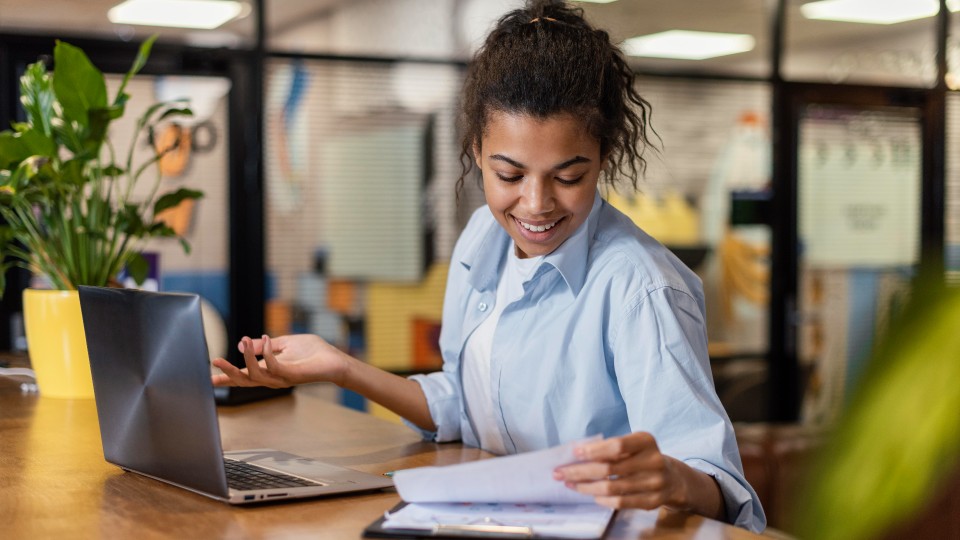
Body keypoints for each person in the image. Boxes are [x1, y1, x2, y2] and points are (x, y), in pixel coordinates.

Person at [212, 0, 766, 532]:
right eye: (509, 174)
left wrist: (672, 478)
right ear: (476, 149)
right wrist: (342, 367)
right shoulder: (483, 236)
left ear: (604, 157)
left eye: (568, 177)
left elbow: (720, 488)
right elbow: (462, 400)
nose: (535, 203)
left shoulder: (641, 287)